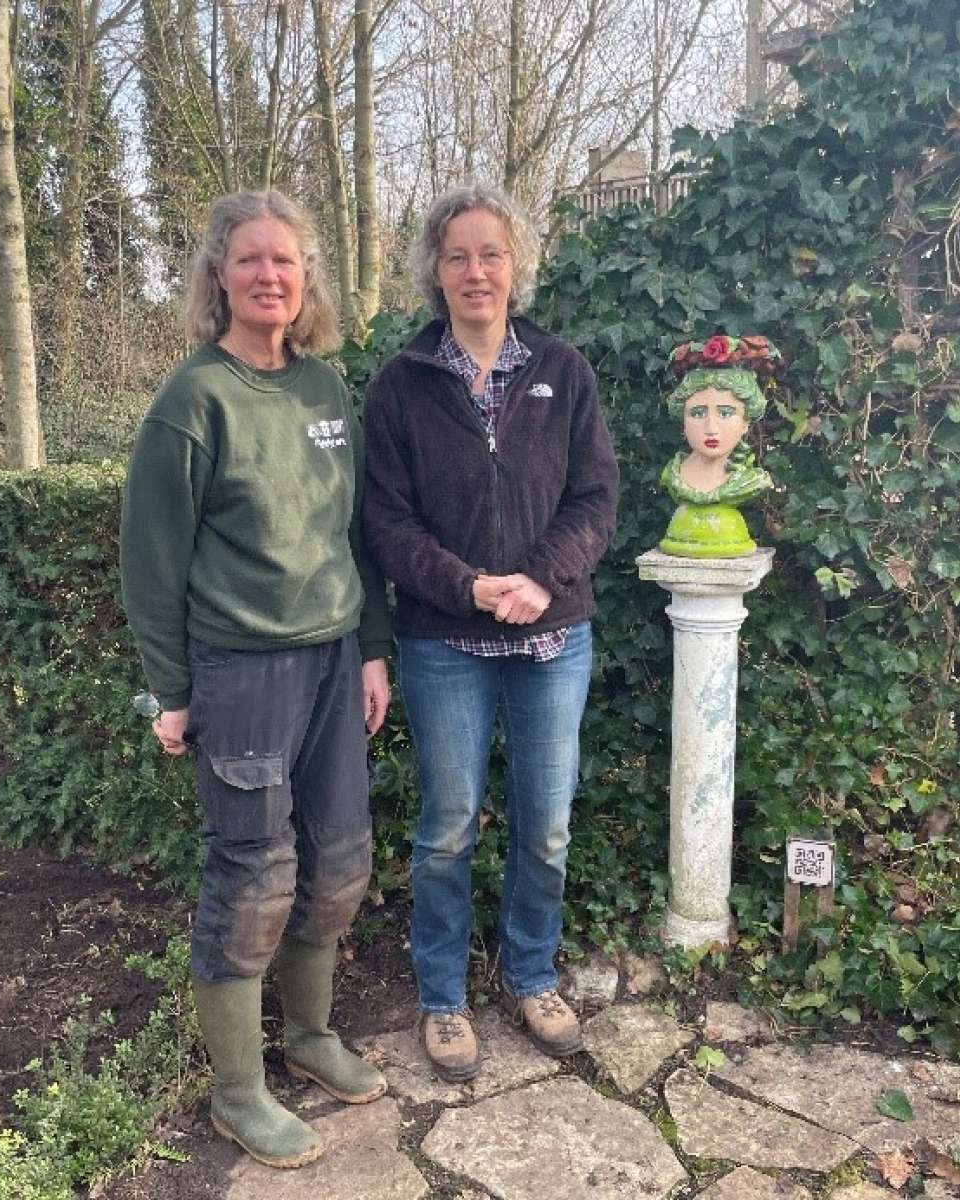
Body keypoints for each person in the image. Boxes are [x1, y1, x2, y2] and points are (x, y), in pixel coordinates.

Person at [119, 190, 392, 1169]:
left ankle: (309, 1036)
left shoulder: (326, 392)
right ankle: (238, 1091)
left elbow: (355, 533)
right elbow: (151, 561)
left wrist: (371, 646)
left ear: (305, 278)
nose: (269, 275)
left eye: (285, 260)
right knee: (253, 874)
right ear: (219, 276)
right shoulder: (192, 403)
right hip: (239, 672)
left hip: (332, 660)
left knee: (340, 858)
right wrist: (170, 691)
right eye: (250, 259)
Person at [361, 182, 619, 1083]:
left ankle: (531, 974)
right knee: (446, 827)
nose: (477, 271)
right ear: (435, 271)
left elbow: (595, 497)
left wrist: (542, 578)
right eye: (458, 256)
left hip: (552, 640)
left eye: (492, 254)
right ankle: (442, 996)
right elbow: (386, 522)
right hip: (444, 644)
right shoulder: (399, 386)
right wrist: (467, 587)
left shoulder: (564, 370)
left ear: (517, 266)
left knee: (546, 826)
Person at [658, 334, 778, 558]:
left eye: (725, 413)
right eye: (698, 413)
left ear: (745, 422)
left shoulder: (750, 481)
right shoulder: (672, 475)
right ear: (683, 421)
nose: (711, 428)